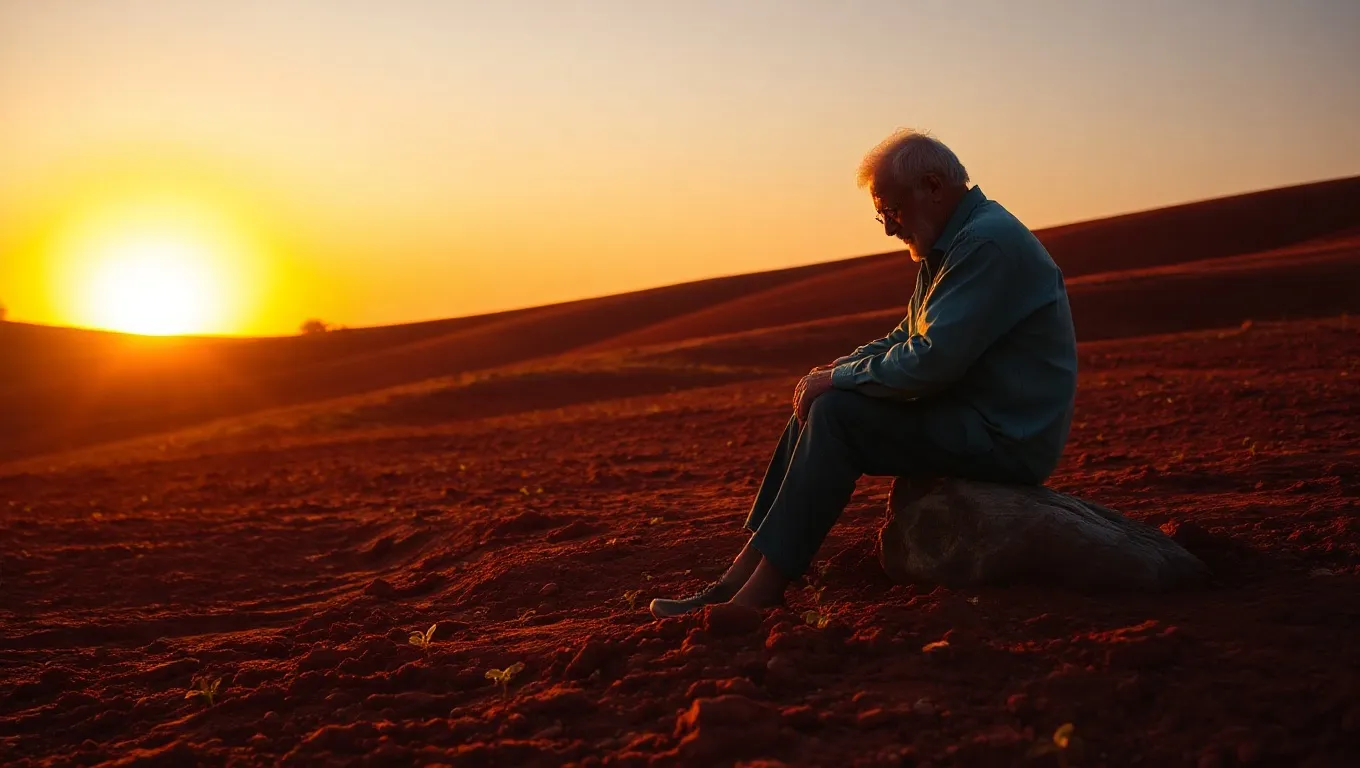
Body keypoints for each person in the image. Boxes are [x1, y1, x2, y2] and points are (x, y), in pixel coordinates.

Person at [649, 129, 1079, 618]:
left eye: (892, 211)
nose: (889, 229)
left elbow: (933, 360)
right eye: (883, 215)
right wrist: (837, 370)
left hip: (1006, 437)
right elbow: (907, 335)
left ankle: (760, 594)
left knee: (838, 415)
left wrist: (841, 381)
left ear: (933, 186)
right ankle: (737, 579)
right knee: (820, 400)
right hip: (975, 419)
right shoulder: (956, 240)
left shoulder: (985, 244)